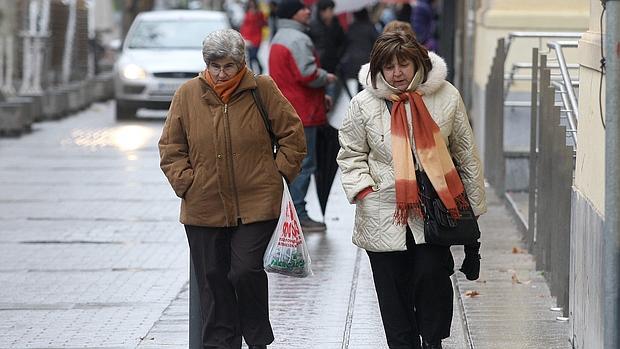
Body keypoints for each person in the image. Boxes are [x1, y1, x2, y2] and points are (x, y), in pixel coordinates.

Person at [336, 31, 487, 349]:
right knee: (392, 291)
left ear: (417, 62)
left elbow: (465, 153)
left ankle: (432, 340)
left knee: (432, 276)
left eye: (403, 64)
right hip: (383, 209)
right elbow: (350, 155)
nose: (397, 73)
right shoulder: (364, 104)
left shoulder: (445, 96)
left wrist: (471, 212)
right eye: (388, 66)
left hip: (434, 210)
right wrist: (366, 189)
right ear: (378, 69)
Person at [158, 29, 306, 349]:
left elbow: (293, 136)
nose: (222, 73)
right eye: (215, 66)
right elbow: (171, 146)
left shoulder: (261, 89)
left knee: (244, 271)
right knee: (212, 281)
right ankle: (220, 343)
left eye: (228, 66)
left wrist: (276, 176)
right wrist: (185, 182)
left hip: (257, 202)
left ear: (241, 63)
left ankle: (256, 339)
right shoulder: (187, 94)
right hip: (204, 205)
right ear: (206, 65)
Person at [269, 0, 337, 232]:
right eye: (303, 9)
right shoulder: (298, 39)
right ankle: (298, 212)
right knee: (304, 164)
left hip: (290, 108)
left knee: (292, 162)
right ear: (293, 14)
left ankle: (289, 210)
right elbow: (306, 74)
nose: (308, 11)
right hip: (302, 112)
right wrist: (326, 77)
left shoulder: (280, 36)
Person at [309, 0, 345, 101]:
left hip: (332, 66)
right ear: (322, 11)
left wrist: (339, 56)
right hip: (319, 67)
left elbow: (342, 43)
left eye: (332, 10)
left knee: (331, 95)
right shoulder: (313, 27)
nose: (331, 13)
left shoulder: (336, 25)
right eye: (329, 10)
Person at [340, 8, 379, 93]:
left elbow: (346, 43)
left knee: (359, 84)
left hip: (354, 61)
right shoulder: (369, 26)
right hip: (367, 60)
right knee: (368, 84)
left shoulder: (351, 27)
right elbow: (377, 42)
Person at [240, 0, 267, 73]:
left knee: (253, 55)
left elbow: (264, 23)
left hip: (257, 36)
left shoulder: (259, 13)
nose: (251, 4)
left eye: (253, 3)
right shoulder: (247, 12)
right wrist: (242, 35)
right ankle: (251, 71)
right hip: (248, 37)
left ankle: (260, 68)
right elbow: (244, 25)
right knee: (250, 56)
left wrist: (258, 20)